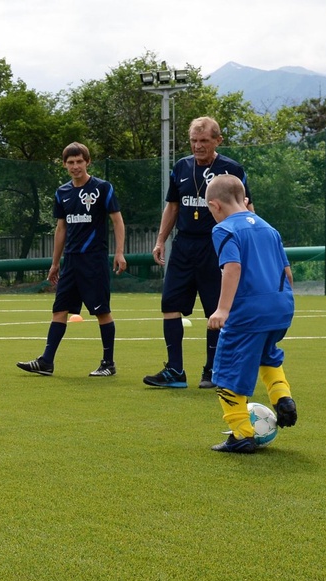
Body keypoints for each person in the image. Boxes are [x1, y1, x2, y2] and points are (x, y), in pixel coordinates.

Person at [143, 116, 252, 389]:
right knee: (169, 305)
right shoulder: (181, 167)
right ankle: (175, 371)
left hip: (216, 245)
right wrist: (160, 241)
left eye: (204, 140)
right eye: (194, 140)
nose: (198, 146)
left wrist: (251, 242)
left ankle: (213, 370)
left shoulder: (231, 170)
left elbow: (246, 207)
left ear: (218, 140)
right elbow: (173, 206)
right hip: (183, 246)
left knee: (215, 310)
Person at [16, 142, 127, 377]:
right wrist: (55, 263)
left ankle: (108, 363)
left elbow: (117, 220)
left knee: (101, 311)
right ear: (64, 165)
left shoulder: (103, 188)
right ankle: (47, 361)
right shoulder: (62, 192)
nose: (75, 166)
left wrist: (119, 252)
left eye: (79, 161)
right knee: (60, 310)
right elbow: (61, 228)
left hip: (94, 260)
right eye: (70, 162)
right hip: (71, 262)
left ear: (87, 162)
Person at [205, 174, 297, 453]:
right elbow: (287, 272)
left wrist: (222, 309)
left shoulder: (224, 230)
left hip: (248, 312)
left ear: (215, 206)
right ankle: (282, 397)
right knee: (267, 354)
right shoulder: (269, 228)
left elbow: (232, 267)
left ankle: (242, 434)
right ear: (244, 200)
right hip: (281, 307)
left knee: (225, 375)